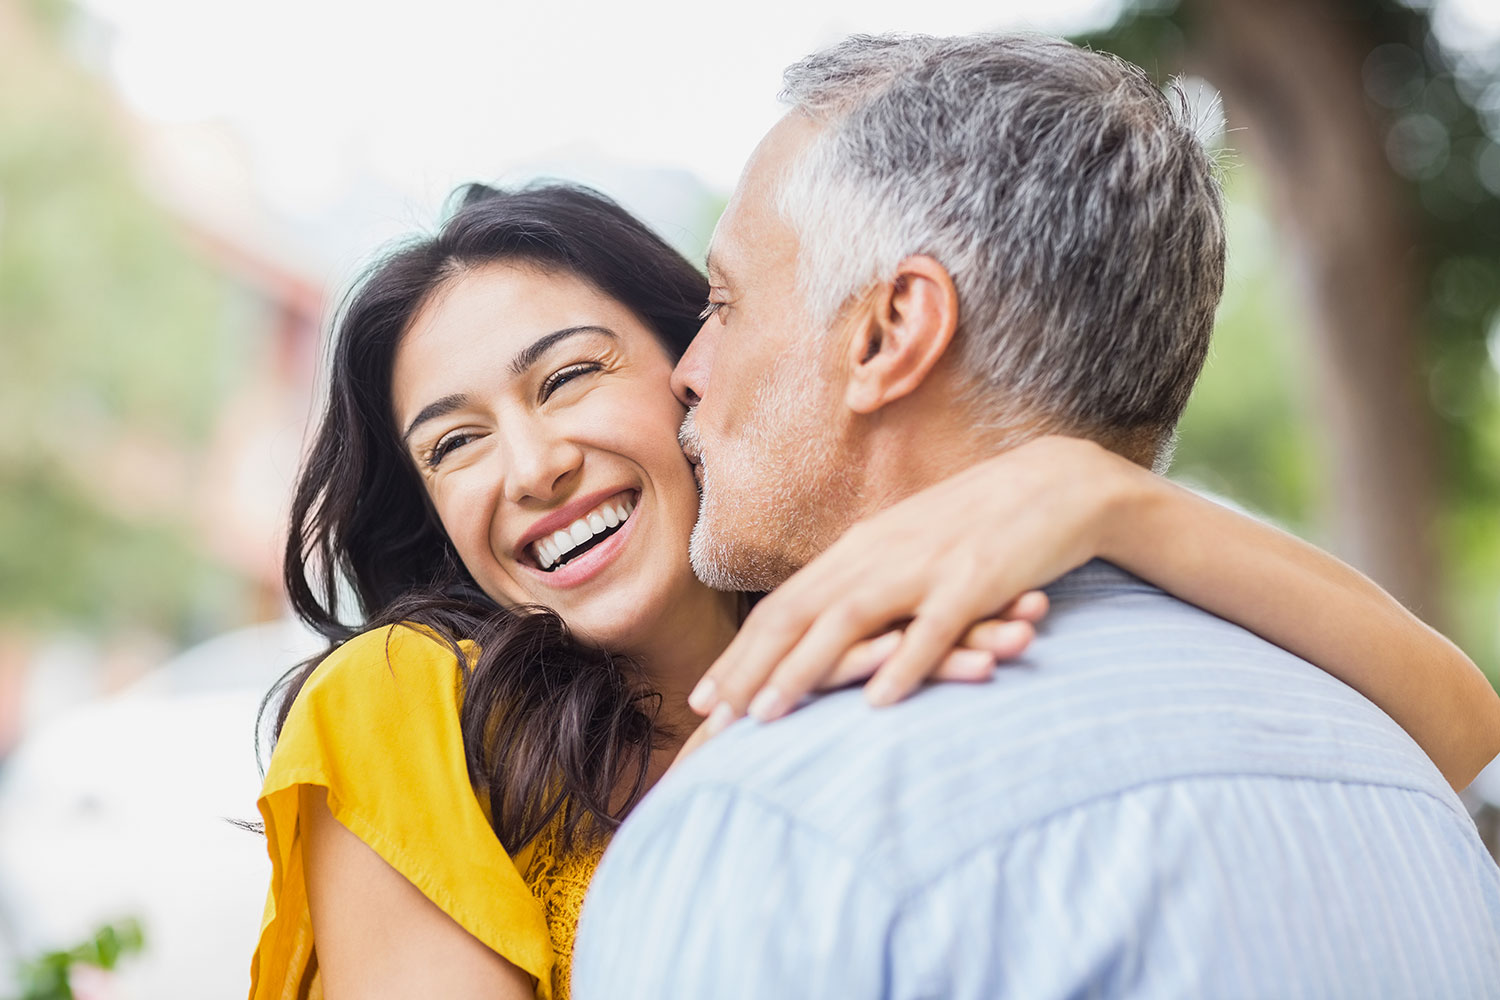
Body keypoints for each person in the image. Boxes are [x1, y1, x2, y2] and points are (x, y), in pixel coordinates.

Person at [249, 173, 1497, 1000]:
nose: (529, 467)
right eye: (453, 444)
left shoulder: (899, 601)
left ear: (695, 367)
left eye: (567, 377)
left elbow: (1459, 731)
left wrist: (1117, 499)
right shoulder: (406, 705)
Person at [570, 33, 1500, 999]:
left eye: (724, 304)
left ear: (891, 332)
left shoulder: (767, 825)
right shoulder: (1406, 786)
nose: (688, 372)